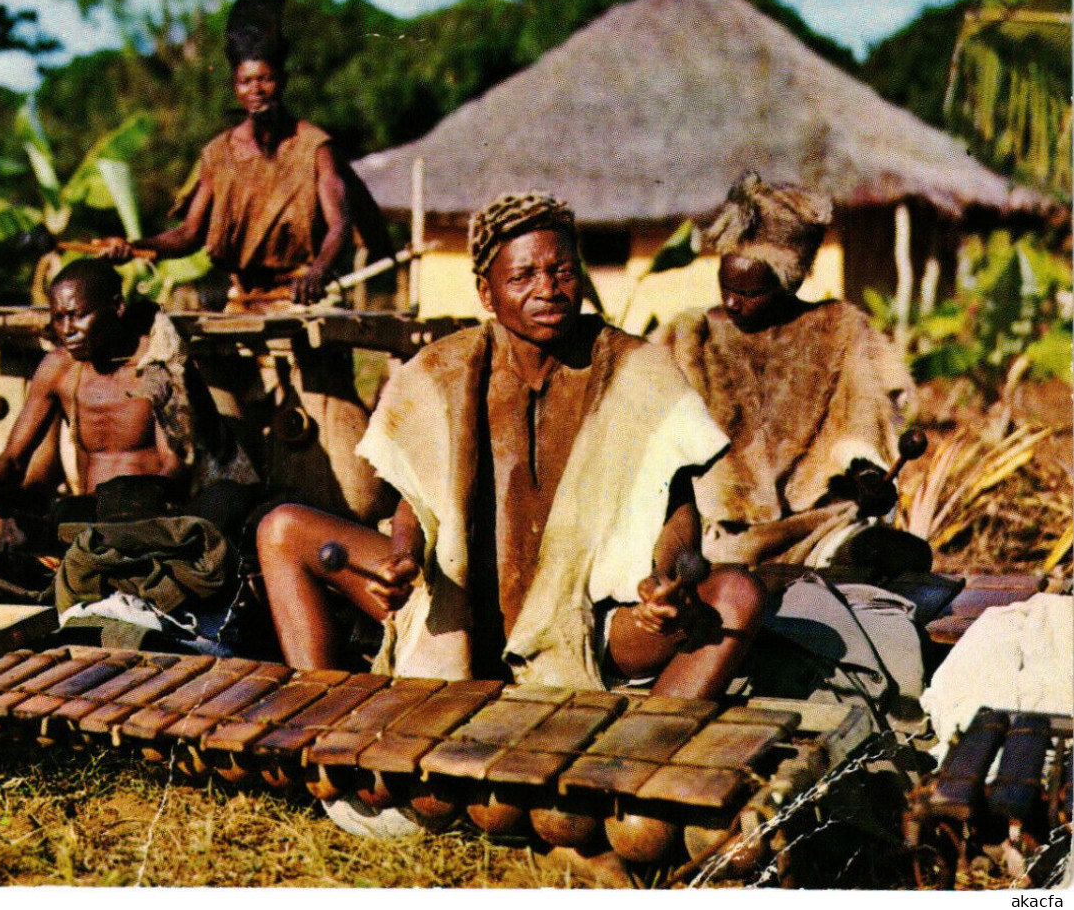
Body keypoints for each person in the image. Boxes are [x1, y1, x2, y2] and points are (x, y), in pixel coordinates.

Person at [257, 193, 766, 701]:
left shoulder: (637, 370)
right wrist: (402, 558)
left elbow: (676, 505)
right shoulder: (445, 371)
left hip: (586, 626)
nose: (547, 289)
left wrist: (665, 578)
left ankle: (637, 755)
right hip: (457, 608)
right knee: (282, 530)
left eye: (563, 271)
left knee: (736, 594)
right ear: (486, 292)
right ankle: (322, 724)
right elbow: (416, 500)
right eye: (522, 277)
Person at [97, 0, 390, 520]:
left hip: (299, 298)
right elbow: (187, 235)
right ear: (235, 86)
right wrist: (135, 247)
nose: (257, 91)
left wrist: (319, 271)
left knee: (317, 422)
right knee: (213, 417)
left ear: (282, 79)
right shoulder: (218, 153)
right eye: (245, 82)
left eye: (266, 79)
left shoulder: (314, 146)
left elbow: (341, 220)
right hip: (241, 304)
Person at [0, 258, 258, 646]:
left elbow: (176, 464)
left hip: (150, 527)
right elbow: (13, 458)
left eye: (78, 316)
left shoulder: (155, 364)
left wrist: (134, 511)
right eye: (58, 318)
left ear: (116, 308)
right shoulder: (59, 370)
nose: (67, 330)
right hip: (85, 522)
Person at [661, 172, 916, 569]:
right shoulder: (689, 337)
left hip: (819, 527)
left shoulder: (840, 329)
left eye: (748, 293)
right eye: (724, 287)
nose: (731, 303)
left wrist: (865, 471)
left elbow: (861, 420)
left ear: (787, 284)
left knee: (883, 553)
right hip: (718, 537)